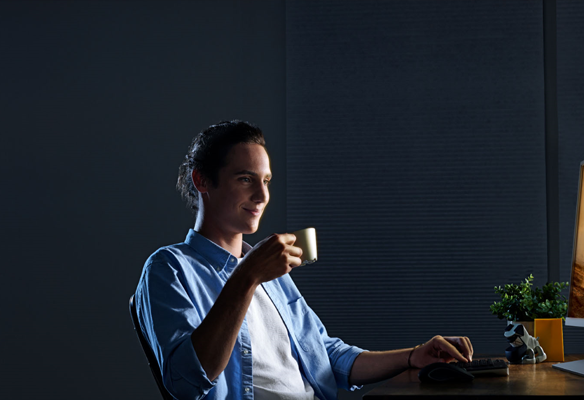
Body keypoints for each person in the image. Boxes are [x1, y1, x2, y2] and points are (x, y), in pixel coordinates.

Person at [133, 120, 473, 400]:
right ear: (202, 180)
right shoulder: (169, 268)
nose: (262, 196)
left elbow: (326, 356)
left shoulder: (268, 269)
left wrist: (414, 355)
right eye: (245, 179)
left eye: (266, 181)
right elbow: (187, 383)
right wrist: (247, 276)